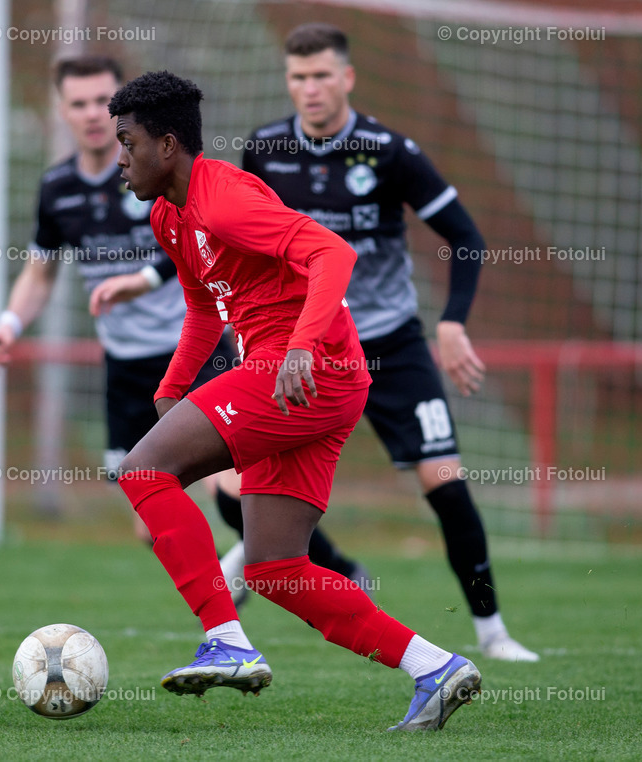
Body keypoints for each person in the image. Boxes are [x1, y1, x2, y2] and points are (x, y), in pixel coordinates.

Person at [109, 69, 481, 731]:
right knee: (276, 567)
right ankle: (436, 667)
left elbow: (331, 253)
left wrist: (303, 347)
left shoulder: (221, 199)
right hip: (311, 380)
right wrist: (171, 390)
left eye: (127, 143)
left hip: (306, 372)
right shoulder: (170, 214)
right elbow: (203, 308)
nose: (119, 160)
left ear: (167, 146)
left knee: (143, 471)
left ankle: (226, 640)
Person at [236, 23, 538, 662]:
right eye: (298, 77)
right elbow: (245, 248)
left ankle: (493, 631)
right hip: (303, 347)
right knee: (233, 484)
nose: (310, 88)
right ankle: (333, 573)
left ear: (347, 78)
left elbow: (466, 236)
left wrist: (453, 320)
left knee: (444, 480)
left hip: (391, 344)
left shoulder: (390, 150)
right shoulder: (263, 150)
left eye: (321, 75)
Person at [0, 55, 238, 543]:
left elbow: (202, 240)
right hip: (125, 368)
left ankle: (287, 571)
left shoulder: (160, 173)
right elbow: (40, 272)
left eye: (102, 100)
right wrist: (9, 324)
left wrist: (143, 278)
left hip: (194, 350)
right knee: (151, 522)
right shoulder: (57, 189)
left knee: (232, 486)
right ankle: (232, 588)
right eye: (77, 103)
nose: (90, 113)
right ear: (62, 110)